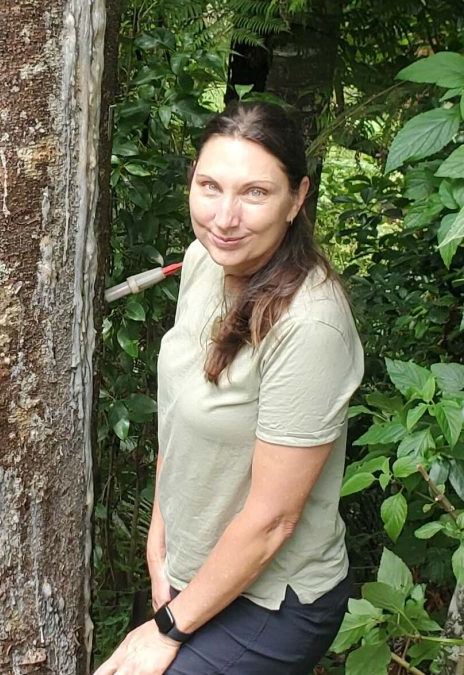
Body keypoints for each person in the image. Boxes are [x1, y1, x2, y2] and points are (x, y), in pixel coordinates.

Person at [96, 101, 364, 675]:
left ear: (297, 198)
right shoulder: (203, 261)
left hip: (273, 601)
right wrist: (158, 540)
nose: (225, 217)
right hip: (198, 577)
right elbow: (181, 410)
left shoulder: (309, 325)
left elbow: (273, 519)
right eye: (209, 186)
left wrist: (167, 628)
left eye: (255, 193)